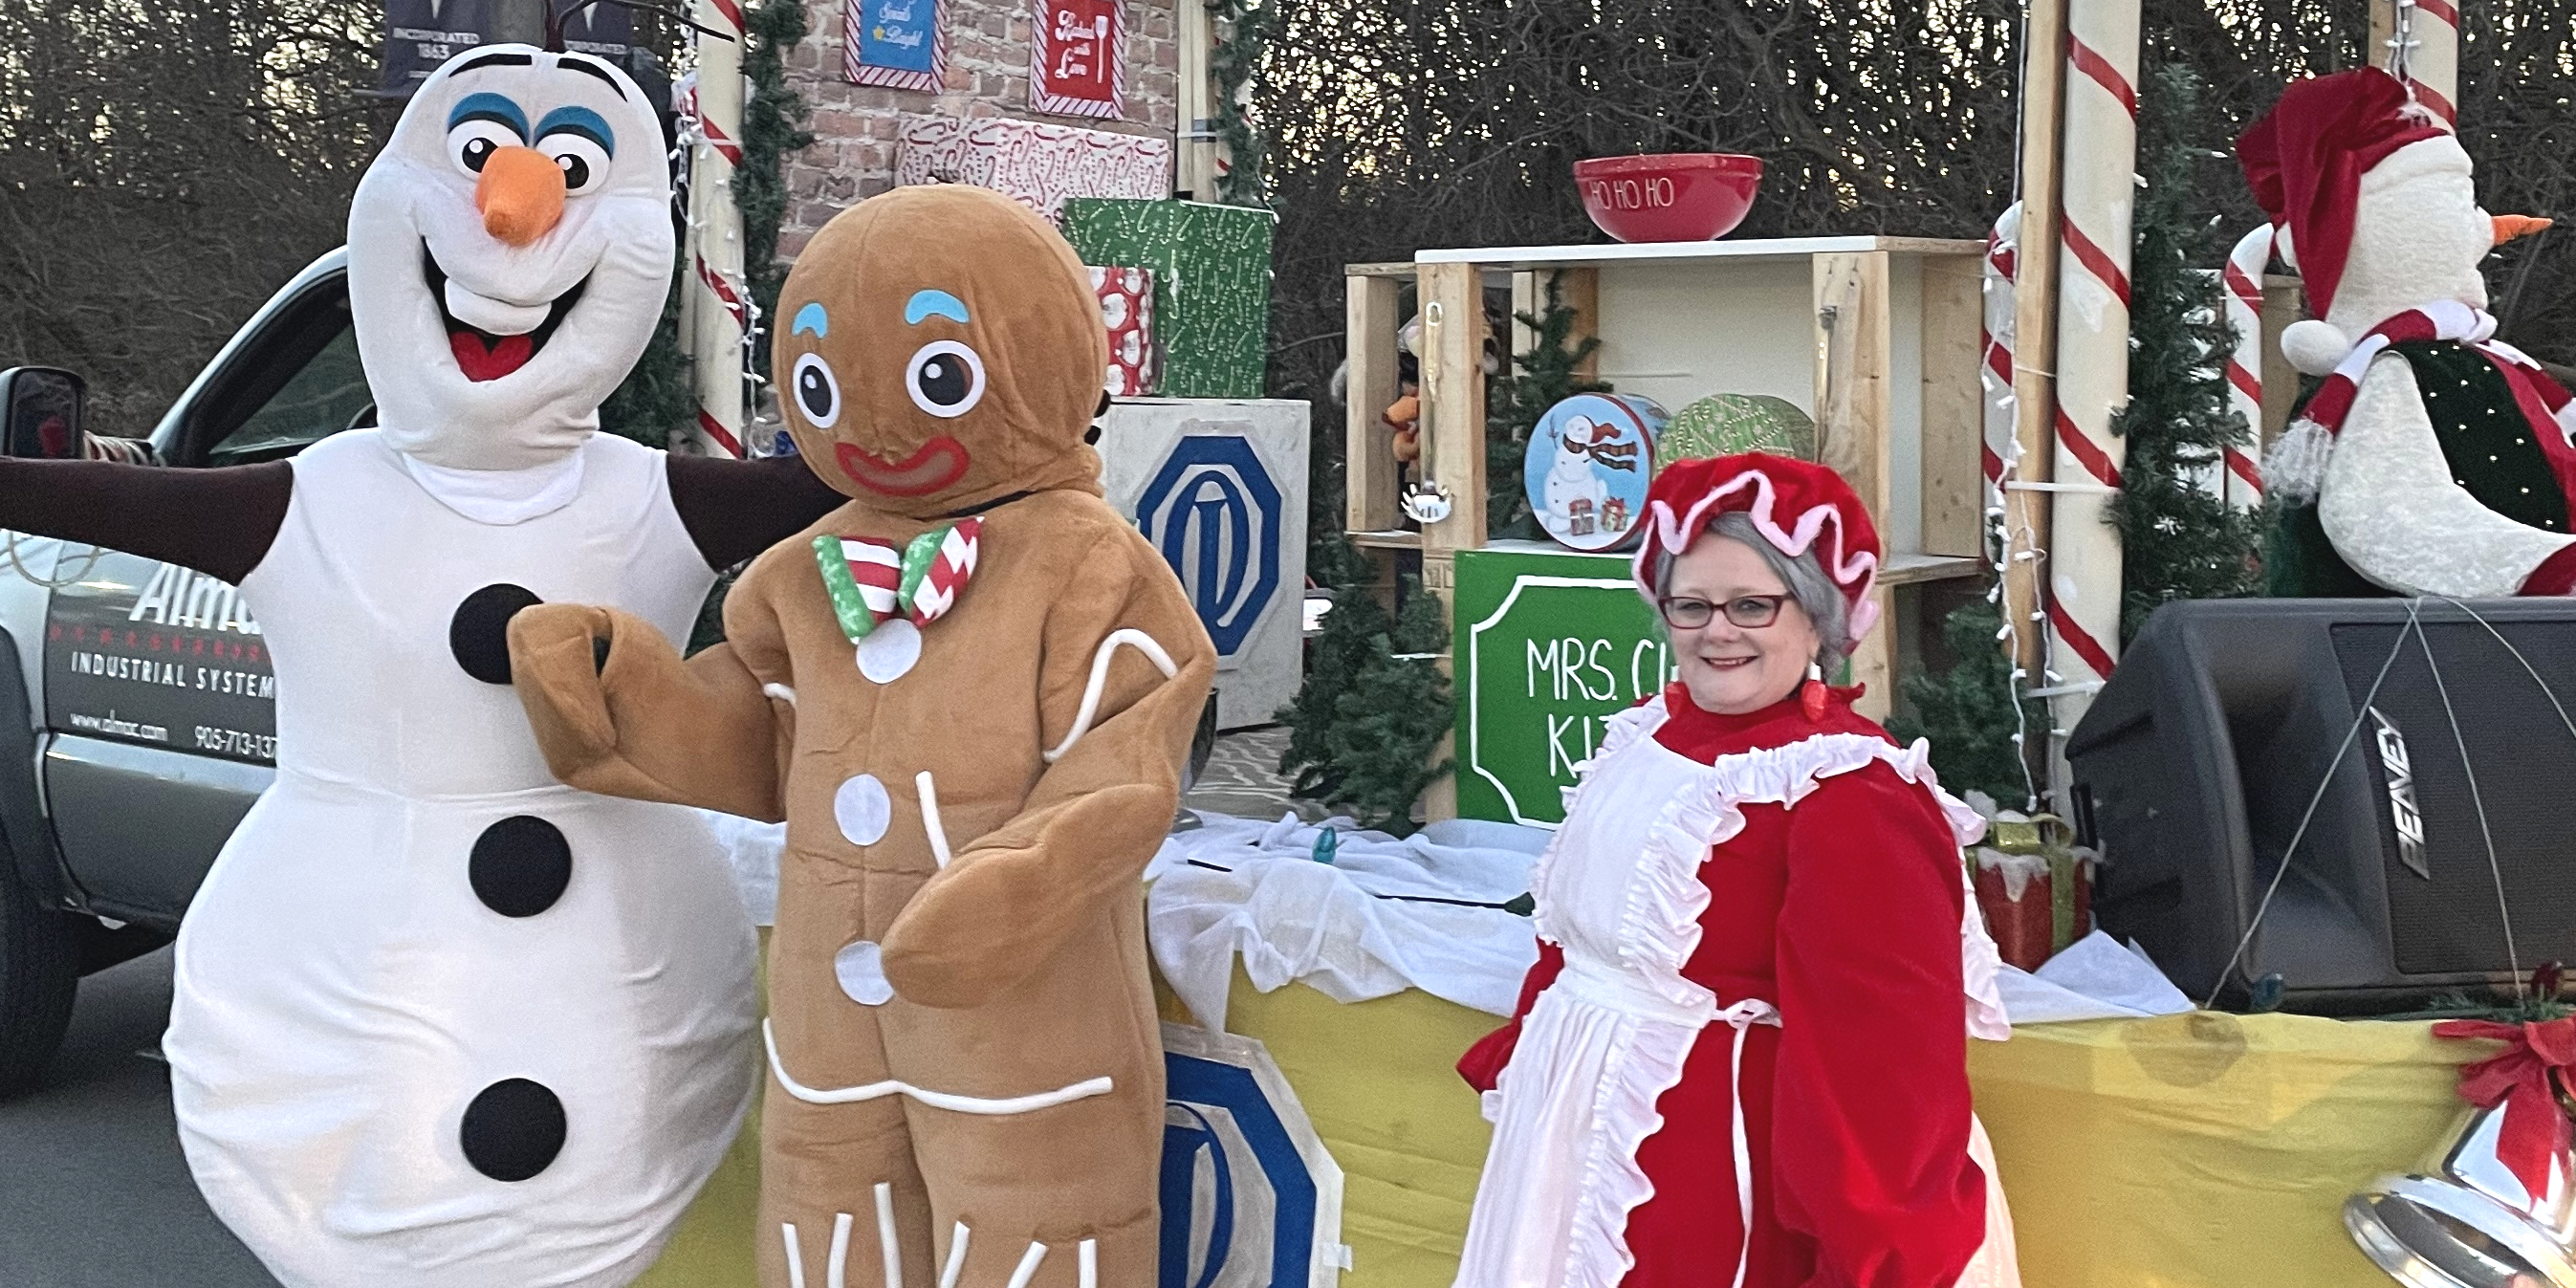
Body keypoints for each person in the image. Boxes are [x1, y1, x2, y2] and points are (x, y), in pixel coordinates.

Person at [1453, 453, 2020, 1288]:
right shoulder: (1649, 733)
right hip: (1570, 1154)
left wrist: (1872, 1257)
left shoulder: (1847, 791)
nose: (1719, 631)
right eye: (1692, 604)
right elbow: (1576, 940)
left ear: (1816, 612)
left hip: (1716, 1190)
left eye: (1753, 604)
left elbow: (1882, 1070)